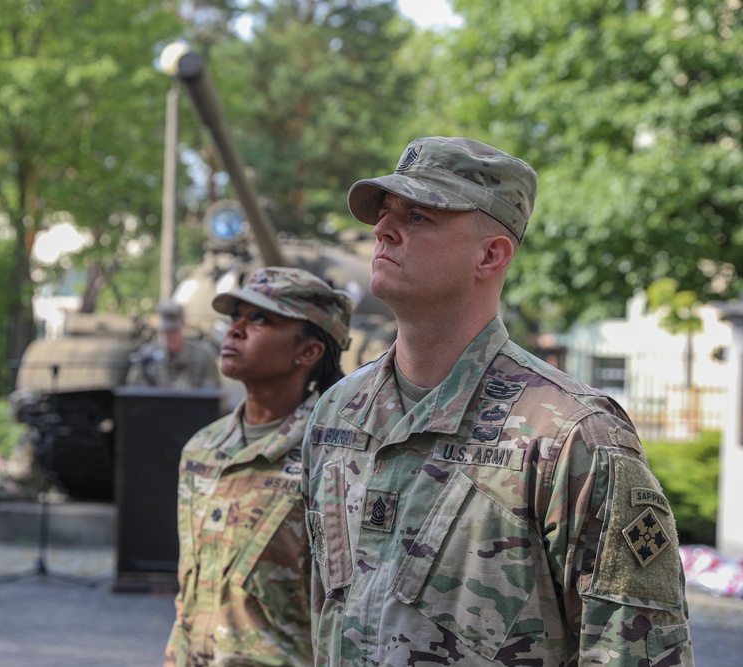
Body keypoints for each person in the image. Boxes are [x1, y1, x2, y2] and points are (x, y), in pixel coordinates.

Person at [302, 137, 693, 665]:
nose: (383, 229)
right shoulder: (336, 415)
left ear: (490, 255)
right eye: (386, 212)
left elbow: (633, 652)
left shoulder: (571, 436)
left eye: (418, 216)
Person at [165, 267, 354, 667]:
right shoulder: (203, 448)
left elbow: (350, 607)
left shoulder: (333, 460)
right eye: (236, 317)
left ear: (307, 352)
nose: (235, 330)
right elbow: (189, 587)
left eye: (261, 319)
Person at [126, 301, 221, 390]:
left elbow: (213, 391)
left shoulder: (203, 355)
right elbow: (134, 389)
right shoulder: (146, 355)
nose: (171, 336)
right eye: (167, 331)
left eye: (174, 331)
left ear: (184, 326)